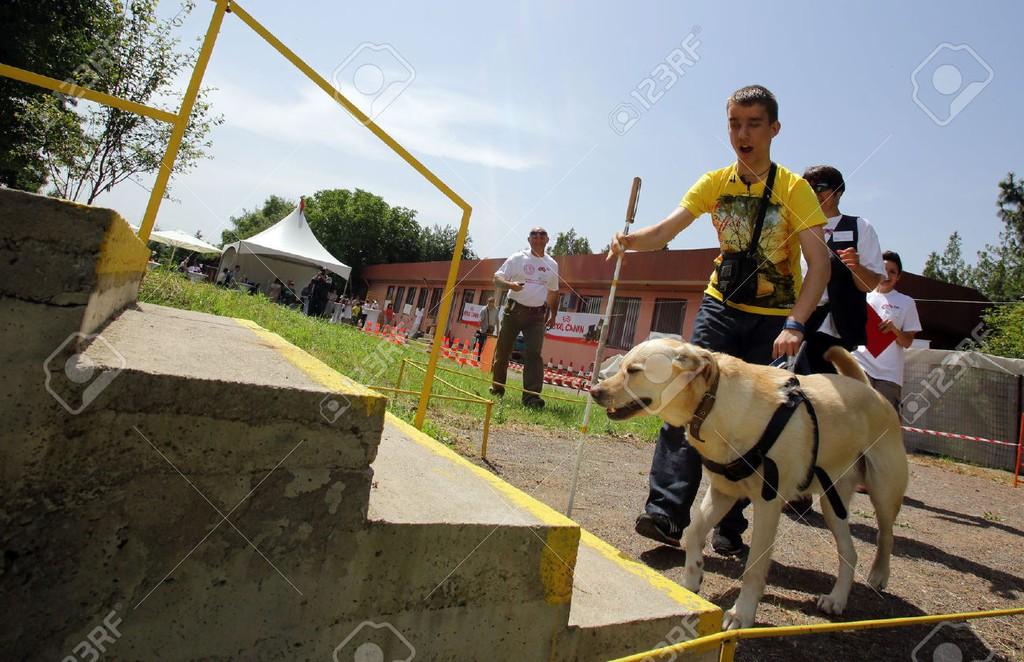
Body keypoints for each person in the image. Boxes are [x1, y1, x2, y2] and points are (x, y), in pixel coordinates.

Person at [607, 84, 830, 555]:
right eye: (734, 123)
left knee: (753, 423)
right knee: (680, 399)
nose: (743, 134)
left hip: (773, 321)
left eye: (753, 124)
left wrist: (796, 324)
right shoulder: (713, 183)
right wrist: (629, 241)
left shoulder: (794, 189)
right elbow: (665, 231)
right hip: (720, 308)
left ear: (774, 129)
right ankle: (666, 513)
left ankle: (729, 526)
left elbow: (820, 263)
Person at [797, 166, 885, 374]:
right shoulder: (795, 227)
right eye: (808, 189)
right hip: (797, 321)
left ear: (838, 192)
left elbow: (869, 285)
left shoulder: (859, 227)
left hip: (834, 326)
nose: (814, 194)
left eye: (820, 187)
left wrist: (855, 266)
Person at [491, 227, 560, 409]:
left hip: (537, 316)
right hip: (513, 312)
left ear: (547, 239)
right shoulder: (517, 258)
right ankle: (497, 389)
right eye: (534, 234)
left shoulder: (552, 264)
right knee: (503, 351)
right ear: (529, 239)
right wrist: (510, 285)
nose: (538, 237)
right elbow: (497, 278)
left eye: (542, 234)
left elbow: (553, 292)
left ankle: (531, 398)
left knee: (534, 355)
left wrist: (553, 315)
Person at [854, 251, 921, 412]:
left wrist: (894, 331)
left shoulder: (906, 302)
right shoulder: (862, 296)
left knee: (885, 423)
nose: (887, 275)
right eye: (884, 270)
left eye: (892, 272)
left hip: (889, 374)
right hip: (860, 364)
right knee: (856, 416)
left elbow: (908, 342)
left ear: (898, 276)